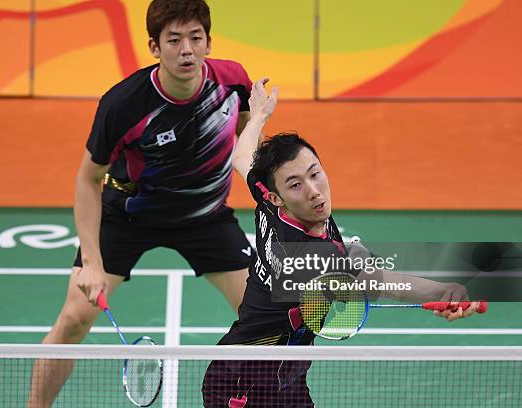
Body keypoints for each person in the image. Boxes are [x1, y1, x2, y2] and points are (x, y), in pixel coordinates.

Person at [202, 78, 481, 407]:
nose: (313, 190)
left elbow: (242, 157)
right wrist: (443, 292)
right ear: (277, 196)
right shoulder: (309, 258)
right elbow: (383, 282)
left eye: (315, 173)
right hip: (244, 387)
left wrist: (260, 115)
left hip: (285, 379)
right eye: (296, 184)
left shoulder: (271, 201)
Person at [28, 1, 255, 406]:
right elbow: (87, 179)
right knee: (74, 319)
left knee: (262, 316)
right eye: (174, 40)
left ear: (208, 42)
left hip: (205, 217)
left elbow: (241, 127)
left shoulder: (233, 80)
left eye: (195, 38)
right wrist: (92, 263)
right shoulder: (123, 105)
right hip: (129, 214)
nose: (186, 49)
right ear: (155, 47)